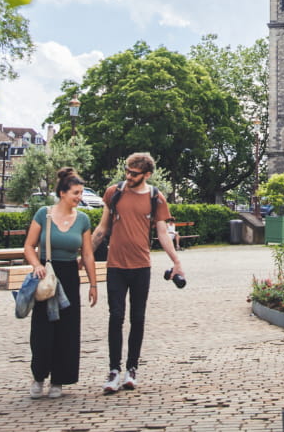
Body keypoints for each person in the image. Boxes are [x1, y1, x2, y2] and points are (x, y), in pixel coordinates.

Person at [91, 152, 185, 394]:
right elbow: (102, 229)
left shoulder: (156, 198)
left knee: (138, 318)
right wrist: (86, 256)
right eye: (127, 171)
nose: (128, 176)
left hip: (141, 266)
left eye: (134, 173)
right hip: (115, 266)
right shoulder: (114, 193)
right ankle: (114, 370)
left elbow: (163, 233)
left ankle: (131, 368)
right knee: (116, 316)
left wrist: (176, 261)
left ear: (147, 175)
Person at [23, 166, 97, 400]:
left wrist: (93, 284)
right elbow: (29, 246)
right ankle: (38, 376)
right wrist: (36, 265)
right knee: (42, 330)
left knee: (68, 330)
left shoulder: (83, 219)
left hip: (69, 276)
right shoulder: (43, 214)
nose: (79, 197)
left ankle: (59, 379)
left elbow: (87, 254)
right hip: (47, 275)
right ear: (62, 193)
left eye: (81, 193)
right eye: (76, 193)